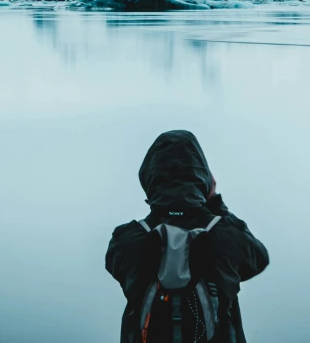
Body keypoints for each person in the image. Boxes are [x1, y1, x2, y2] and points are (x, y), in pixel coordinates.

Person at [106, 130, 269, 343]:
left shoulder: (125, 240)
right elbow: (259, 258)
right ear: (203, 177)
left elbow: (116, 267)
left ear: (148, 178)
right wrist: (214, 204)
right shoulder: (227, 235)